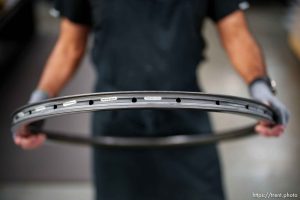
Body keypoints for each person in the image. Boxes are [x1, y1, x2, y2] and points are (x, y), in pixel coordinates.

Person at [14, 0, 289, 200]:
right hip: (115, 123)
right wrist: (40, 101)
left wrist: (260, 87)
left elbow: (236, 33)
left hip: (187, 118)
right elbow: (69, 46)